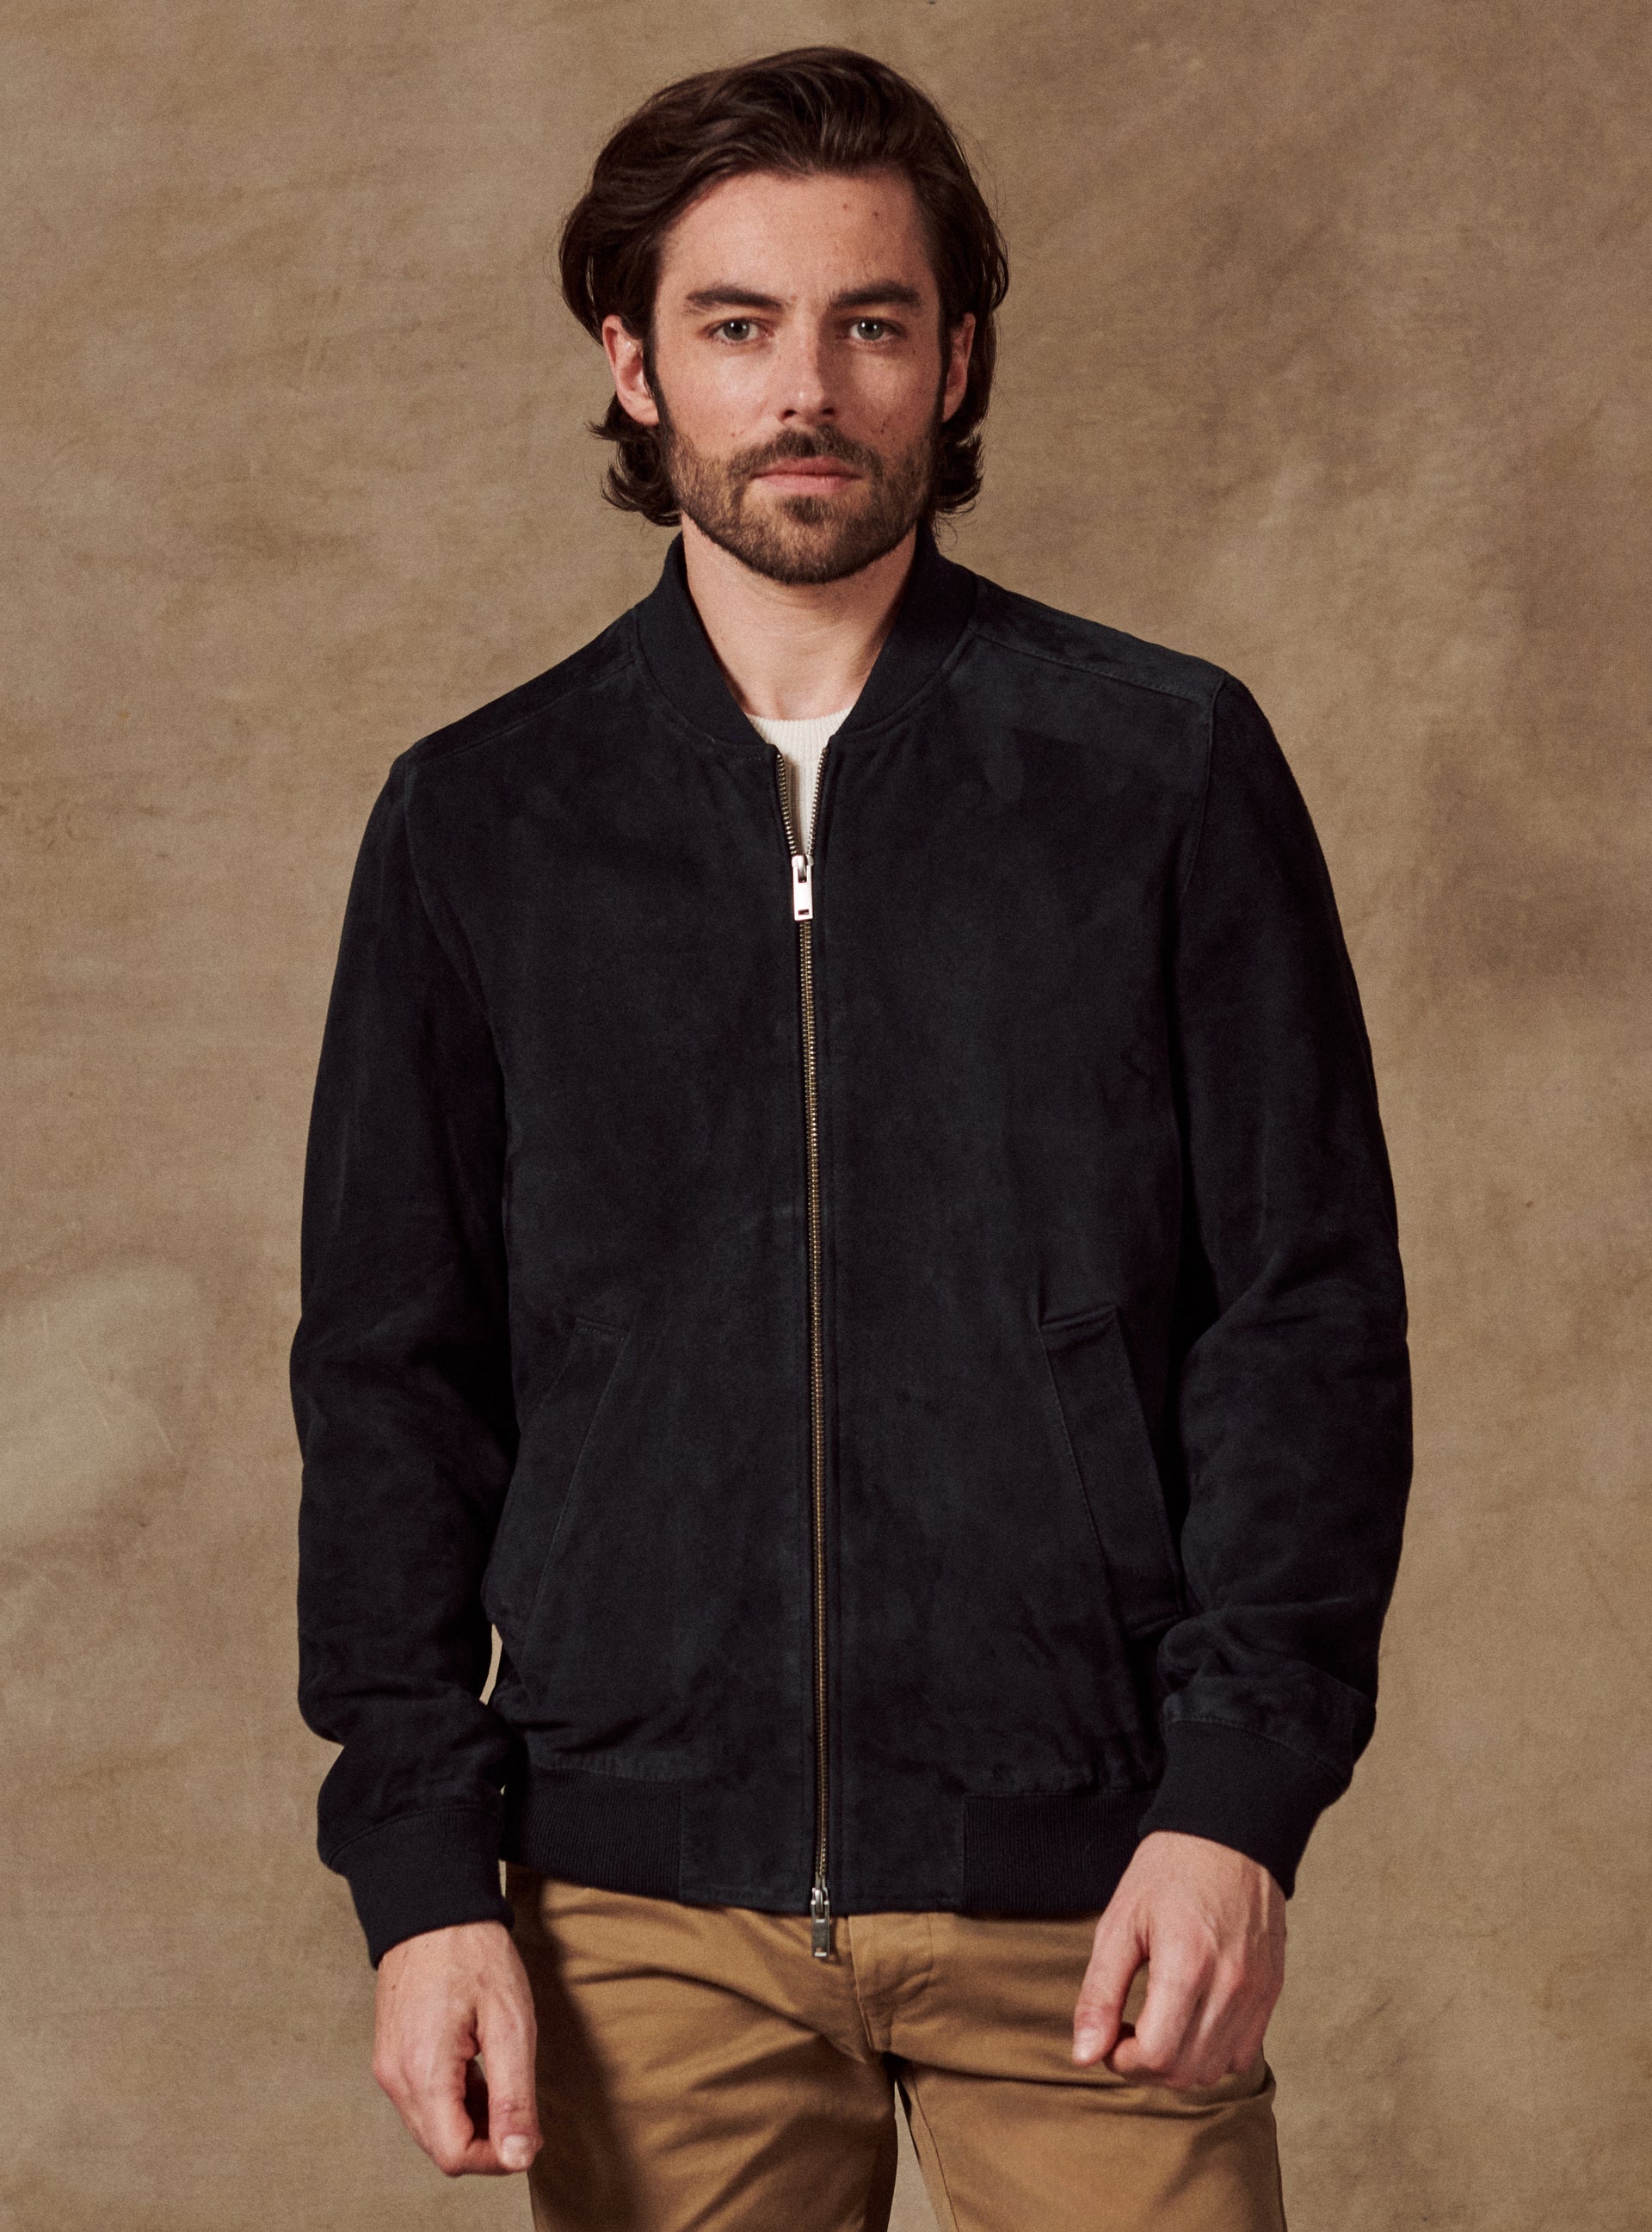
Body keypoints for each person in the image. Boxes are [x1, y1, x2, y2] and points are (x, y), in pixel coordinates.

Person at [290, 44, 1412, 2232]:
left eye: (868, 322)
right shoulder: (481, 822)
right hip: (640, 1915)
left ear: (953, 360)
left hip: (1101, 1883)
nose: (805, 388)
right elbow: (391, 1380)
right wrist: (423, 1877)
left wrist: (1238, 1799)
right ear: (633, 363)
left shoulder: (1163, 771)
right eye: (737, 325)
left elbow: (1304, 1322)